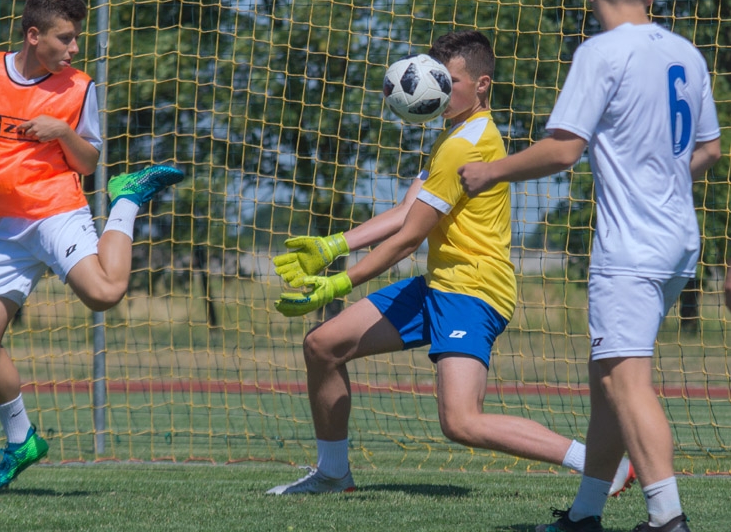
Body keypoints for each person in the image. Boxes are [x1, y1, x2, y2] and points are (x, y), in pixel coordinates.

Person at [266, 30, 634, 498]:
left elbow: (408, 239)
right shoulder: (454, 134)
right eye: (435, 78)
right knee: (323, 345)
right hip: (440, 283)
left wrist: (340, 282)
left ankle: (601, 465)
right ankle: (333, 474)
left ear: (481, 84)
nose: (439, 90)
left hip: (472, 291)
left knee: (460, 421)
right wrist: (332, 245)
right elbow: (407, 210)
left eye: (450, 80)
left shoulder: (467, 143)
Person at [458, 0, 721, 532]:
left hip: (630, 248)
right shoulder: (686, 53)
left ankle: (667, 518)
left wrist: (492, 172)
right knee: (607, 382)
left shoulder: (600, 54)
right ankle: (584, 516)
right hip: (679, 241)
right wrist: (657, 173)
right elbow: (708, 147)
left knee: (627, 383)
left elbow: (563, 149)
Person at [0, 0, 183, 492]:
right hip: (8, 225)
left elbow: (88, 162)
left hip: (57, 211)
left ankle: (128, 198)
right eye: (64, 39)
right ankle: (21, 439)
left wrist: (62, 133)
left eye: (75, 40)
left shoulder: (79, 88)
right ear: (33, 35)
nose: (73, 49)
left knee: (105, 293)